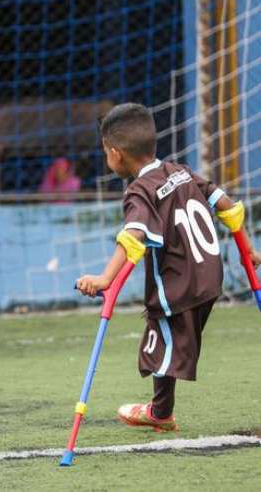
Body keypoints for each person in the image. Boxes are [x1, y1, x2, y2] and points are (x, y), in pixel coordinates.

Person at [75, 103, 261, 431]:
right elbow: (227, 207)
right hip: (211, 276)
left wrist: (105, 278)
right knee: (166, 340)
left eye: (105, 151)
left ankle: (160, 413)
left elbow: (133, 235)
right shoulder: (181, 170)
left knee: (156, 340)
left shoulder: (139, 191)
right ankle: (161, 410)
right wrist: (248, 249)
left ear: (115, 153)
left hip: (180, 285)